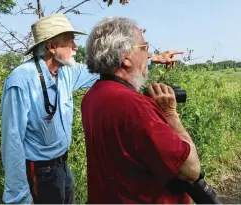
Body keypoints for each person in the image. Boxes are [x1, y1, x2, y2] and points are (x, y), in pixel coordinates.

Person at [0, 13, 177, 204]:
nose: (76, 47)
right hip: (39, 173)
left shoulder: (66, 71)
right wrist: (19, 197)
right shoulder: (21, 81)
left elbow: (108, 67)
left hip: (62, 167)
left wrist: (152, 59)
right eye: (70, 42)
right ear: (52, 46)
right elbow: (12, 141)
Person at [81, 17, 201, 204]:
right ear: (125, 58)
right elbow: (191, 170)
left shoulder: (93, 96)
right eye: (144, 48)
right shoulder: (135, 107)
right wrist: (170, 114)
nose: (149, 54)